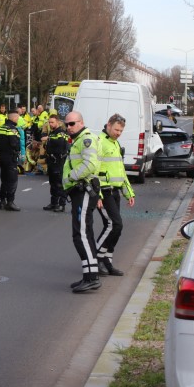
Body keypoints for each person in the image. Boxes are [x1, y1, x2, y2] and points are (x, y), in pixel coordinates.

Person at [63, 111, 102, 293]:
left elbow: (91, 165)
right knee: (84, 233)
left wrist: (71, 177)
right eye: (67, 125)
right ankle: (89, 275)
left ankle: (92, 277)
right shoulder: (79, 140)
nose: (69, 127)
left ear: (81, 122)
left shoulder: (86, 139)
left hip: (83, 189)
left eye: (72, 124)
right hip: (80, 191)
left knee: (81, 234)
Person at [95, 114, 135, 277]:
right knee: (115, 225)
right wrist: (96, 194)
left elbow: (120, 171)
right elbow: (94, 171)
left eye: (121, 131)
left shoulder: (115, 143)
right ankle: (96, 257)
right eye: (117, 129)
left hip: (115, 191)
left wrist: (128, 193)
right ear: (108, 125)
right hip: (104, 192)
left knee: (113, 227)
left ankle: (107, 262)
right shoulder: (99, 142)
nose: (119, 133)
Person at [42, 114, 69, 212]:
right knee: (52, 183)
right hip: (51, 161)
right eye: (49, 122)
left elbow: (60, 142)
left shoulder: (61, 132)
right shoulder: (53, 133)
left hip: (59, 161)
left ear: (58, 122)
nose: (50, 124)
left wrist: (48, 138)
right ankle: (54, 203)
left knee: (59, 184)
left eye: (52, 122)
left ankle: (62, 204)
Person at [0, 109, 22, 211]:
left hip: (2, 156)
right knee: (12, 180)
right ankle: (10, 202)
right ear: (14, 118)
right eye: (18, 118)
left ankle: (2, 201)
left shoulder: (0, 128)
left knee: (4, 179)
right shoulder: (12, 130)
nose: (18, 119)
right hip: (11, 157)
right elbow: (15, 144)